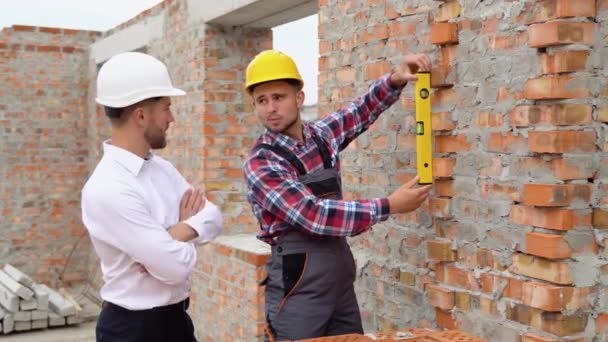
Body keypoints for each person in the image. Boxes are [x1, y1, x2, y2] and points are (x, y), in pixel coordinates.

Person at [241, 50, 433, 341]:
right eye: (262, 101)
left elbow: (360, 111)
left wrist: (395, 79)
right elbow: (313, 215)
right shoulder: (262, 162)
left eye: (278, 97)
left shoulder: (320, 136)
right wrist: (389, 206)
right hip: (298, 289)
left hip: (339, 281)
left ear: (299, 98)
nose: (270, 108)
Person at [81, 52, 223, 342]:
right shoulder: (109, 187)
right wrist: (179, 241)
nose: (172, 117)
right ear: (142, 116)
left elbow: (214, 216)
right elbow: (175, 268)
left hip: (177, 323)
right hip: (133, 332)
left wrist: (174, 233)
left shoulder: (161, 169)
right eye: (167, 107)